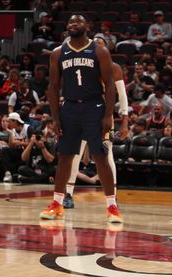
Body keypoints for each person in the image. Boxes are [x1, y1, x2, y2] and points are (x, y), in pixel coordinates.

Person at [40, 14, 122, 223]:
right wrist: (56, 117)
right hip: (69, 108)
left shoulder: (99, 51)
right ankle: (57, 204)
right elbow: (53, 87)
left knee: (100, 156)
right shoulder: (58, 53)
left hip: (94, 107)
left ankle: (112, 207)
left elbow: (110, 85)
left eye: (78, 21)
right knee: (65, 157)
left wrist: (108, 114)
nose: (73, 24)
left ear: (87, 26)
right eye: (70, 22)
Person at [63, 61, 129, 209]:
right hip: (80, 113)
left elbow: (122, 96)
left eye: (101, 44)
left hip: (102, 115)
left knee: (107, 154)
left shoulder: (114, 67)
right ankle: (68, 194)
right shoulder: (82, 65)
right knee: (75, 153)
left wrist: (124, 121)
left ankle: (113, 195)